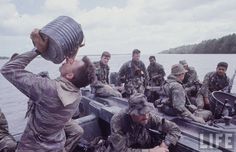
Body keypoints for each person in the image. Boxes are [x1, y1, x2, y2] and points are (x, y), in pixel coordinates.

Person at [0, 29, 96, 151]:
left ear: (70, 75)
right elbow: (65, 80)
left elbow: (8, 69)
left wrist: (37, 49)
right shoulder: (77, 93)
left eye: (73, 61)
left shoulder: (48, 89)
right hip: (56, 146)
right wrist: (74, 46)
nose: (69, 59)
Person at [106, 93, 181, 152]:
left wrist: (164, 145)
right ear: (132, 113)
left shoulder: (148, 117)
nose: (146, 117)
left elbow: (174, 128)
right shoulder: (118, 121)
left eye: (147, 112)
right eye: (141, 113)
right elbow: (120, 150)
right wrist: (151, 151)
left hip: (142, 144)